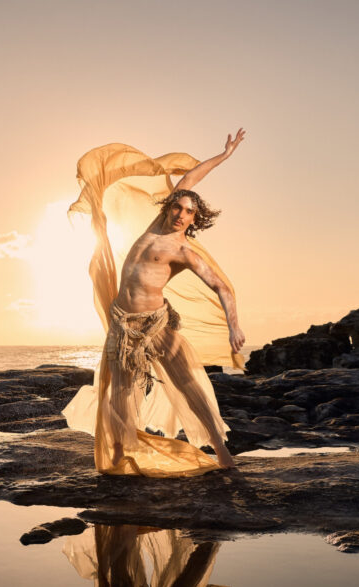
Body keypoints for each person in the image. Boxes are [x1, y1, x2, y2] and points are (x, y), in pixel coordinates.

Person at [62, 129, 246, 477]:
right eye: (177, 206)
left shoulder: (183, 250)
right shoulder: (155, 225)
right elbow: (191, 178)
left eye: (188, 211)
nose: (180, 213)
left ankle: (223, 454)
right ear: (170, 206)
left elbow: (221, 286)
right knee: (120, 391)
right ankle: (119, 455)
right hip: (122, 324)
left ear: (194, 219)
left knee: (189, 387)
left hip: (156, 325)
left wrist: (234, 325)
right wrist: (223, 156)